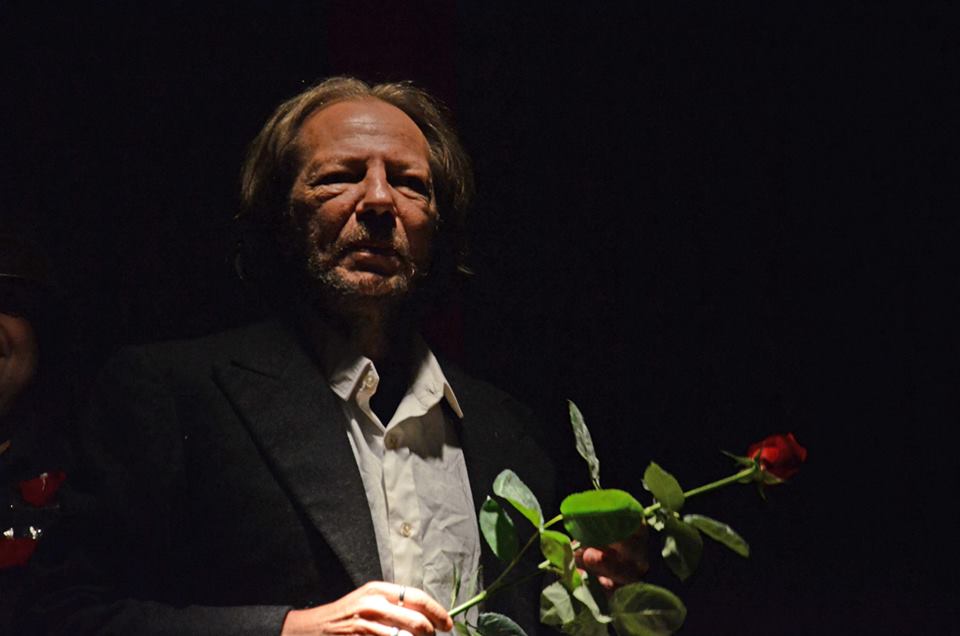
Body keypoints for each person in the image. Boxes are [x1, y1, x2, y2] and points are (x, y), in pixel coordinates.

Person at [22, 77, 646, 636]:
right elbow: (57, 612)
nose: (378, 202)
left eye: (409, 184)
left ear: (438, 227)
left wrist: (594, 591)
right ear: (277, 213)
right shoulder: (170, 390)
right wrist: (287, 632)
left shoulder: (511, 432)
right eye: (339, 176)